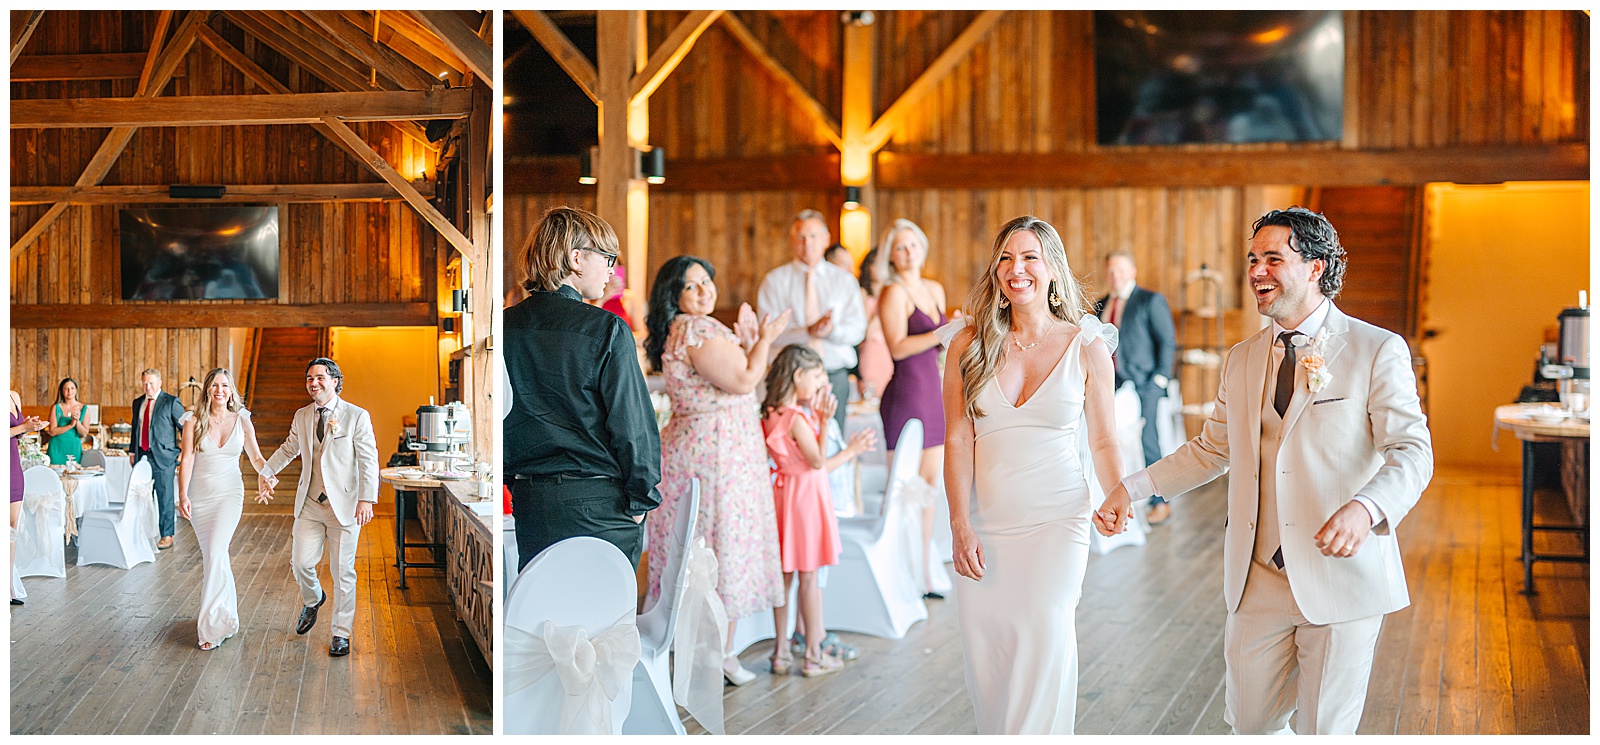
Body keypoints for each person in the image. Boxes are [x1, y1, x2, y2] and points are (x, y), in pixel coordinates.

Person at [1104, 207, 1433, 735]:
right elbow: (1211, 450)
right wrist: (1133, 487)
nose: (1256, 271)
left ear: (1316, 267)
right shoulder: (1242, 358)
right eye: (1253, 259)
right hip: (1257, 581)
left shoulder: (1376, 350)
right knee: (1251, 727)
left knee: (1325, 730)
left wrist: (1365, 507)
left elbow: (1413, 451)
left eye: (1273, 259)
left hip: (1341, 579)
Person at [941, 216, 1129, 734]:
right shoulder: (966, 345)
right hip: (986, 524)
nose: (1015, 268)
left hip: (1056, 520)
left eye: (1028, 257)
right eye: (1005, 257)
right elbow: (957, 439)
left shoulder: (1087, 345)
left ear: (1052, 270)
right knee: (992, 662)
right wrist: (959, 523)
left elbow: (1105, 439)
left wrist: (1119, 493)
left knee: (1045, 643)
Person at [643, 255, 791, 686]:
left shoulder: (687, 329)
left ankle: (703, 648)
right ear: (675, 295)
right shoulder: (694, 329)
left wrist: (749, 343)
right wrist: (764, 339)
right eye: (692, 286)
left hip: (712, 451)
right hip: (715, 457)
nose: (705, 290)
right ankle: (717, 653)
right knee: (719, 548)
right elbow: (745, 380)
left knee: (705, 548)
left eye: (707, 280)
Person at [504, 206, 661, 571]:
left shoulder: (504, 328)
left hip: (531, 505)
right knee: (603, 622)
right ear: (576, 258)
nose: (612, 270)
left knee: (543, 621)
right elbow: (633, 427)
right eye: (608, 258)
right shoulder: (606, 329)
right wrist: (641, 501)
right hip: (599, 506)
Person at [762, 344, 876, 678]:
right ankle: (813, 654)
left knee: (783, 579)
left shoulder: (771, 412)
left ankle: (781, 652)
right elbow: (816, 462)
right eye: (816, 375)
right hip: (806, 499)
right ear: (797, 376)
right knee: (809, 578)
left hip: (784, 496)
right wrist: (828, 425)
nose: (821, 382)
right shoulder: (796, 417)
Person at [258, 358, 379, 657]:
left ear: (335, 380)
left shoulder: (356, 416)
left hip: (346, 506)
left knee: (343, 573)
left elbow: (368, 460)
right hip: (310, 504)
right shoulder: (302, 416)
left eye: (320, 377)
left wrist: (367, 498)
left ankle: (341, 633)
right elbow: (290, 447)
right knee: (300, 563)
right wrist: (266, 472)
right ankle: (313, 598)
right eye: (309, 378)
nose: (314, 383)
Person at [874, 219, 950, 598]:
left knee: (930, 487)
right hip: (905, 394)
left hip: (933, 392)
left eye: (912, 245)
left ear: (922, 247)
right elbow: (898, 347)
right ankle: (901, 572)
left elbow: (939, 346)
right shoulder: (893, 292)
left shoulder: (934, 288)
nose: (907, 253)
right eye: (899, 247)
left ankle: (924, 570)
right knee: (906, 488)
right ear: (891, 255)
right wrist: (939, 335)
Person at [177, 368, 270, 650]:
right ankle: (227, 618)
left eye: (225, 386)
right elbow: (187, 459)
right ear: (207, 389)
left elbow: (255, 455)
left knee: (216, 552)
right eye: (215, 385)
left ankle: (211, 628)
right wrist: (182, 494)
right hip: (201, 496)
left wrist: (266, 476)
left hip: (230, 494)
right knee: (214, 557)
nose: (220, 390)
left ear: (232, 391)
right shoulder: (193, 421)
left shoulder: (242, 420)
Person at [758, 210, 867, 433]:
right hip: (788, 377)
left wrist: (831, 330)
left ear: (826, 239)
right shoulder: (775, 281)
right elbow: (768, 332)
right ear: (792, 240)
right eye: (801, 237)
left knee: (832, 437)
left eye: (813, 236)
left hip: (833, 373)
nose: (807, 243)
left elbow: (858, 329)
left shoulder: (844, 280)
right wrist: (806, 331)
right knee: (789, 440)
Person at [1093, 250, 1178, 523]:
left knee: (1149, 440)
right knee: (1105, 436)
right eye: (1110, 271)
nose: (1114, 276)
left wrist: (1160, 378)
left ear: (1132, 272)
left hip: (1146, 383)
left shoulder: (1150, 300)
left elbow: (1167, 340)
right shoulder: (1101, 304)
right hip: (1112, 383)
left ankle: (1160, 501)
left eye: (1120, 270)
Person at [131, 369, 185, 551]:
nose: (148, 387)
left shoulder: (171, 402)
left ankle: (167, 535)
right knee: (141, 497)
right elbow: (135, 429)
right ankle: (140, 534)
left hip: (164, 457)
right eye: (145, 383)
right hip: (142, 456)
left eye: (151, 383)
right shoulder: (138, 402)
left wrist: (183, 451)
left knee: (165, 497)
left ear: (160, 383)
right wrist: (132, 451)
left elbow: (186, 428)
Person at [11, 390, 48, 606]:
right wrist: (24, 427)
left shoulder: (14, 396)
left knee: (13, 526)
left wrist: (27, 426)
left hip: (13, 461)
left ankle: (9, 587)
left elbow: (15, 434)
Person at [855, 248, 893, 401]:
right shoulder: (862, 294)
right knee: (870, 394)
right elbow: (867, 332)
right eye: (875, 264)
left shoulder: (894, 293)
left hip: (889, 351)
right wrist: (881, 303)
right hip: (871, 350)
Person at [46, 377, 89, 465]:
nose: (69, 391)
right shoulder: (56, 407)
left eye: (72, 388)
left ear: (76, 390)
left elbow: (84, 433)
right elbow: (52, 431)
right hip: (56, 449)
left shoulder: (84, 409)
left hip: (74, 449)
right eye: (66, 389)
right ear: (62, 391)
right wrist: (70, 425)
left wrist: (77, 422)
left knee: (73, 475)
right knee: (55, 476)